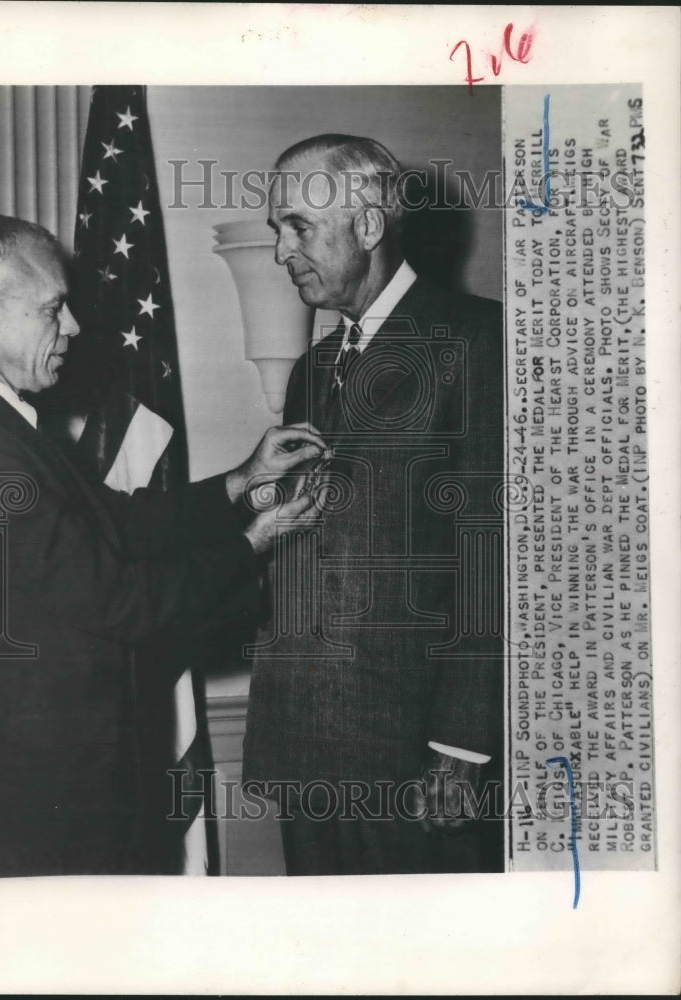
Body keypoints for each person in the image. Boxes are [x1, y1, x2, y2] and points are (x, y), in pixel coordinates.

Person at [0, 213, 326, 879]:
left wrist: (240, 482)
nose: (73, 326)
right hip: (36, 804)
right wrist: (255, 542)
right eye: (53, 308)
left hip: (39, 787)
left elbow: (118, 525)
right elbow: (121, 602)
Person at [243, 134, 505, 875]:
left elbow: (493, 553)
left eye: (298, 226)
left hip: (415, 746)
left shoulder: (475, 339)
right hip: (308, 741)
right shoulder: (313, 368)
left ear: (367, 226)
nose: (280, 252)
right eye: (277, 231)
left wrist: (460, 745)